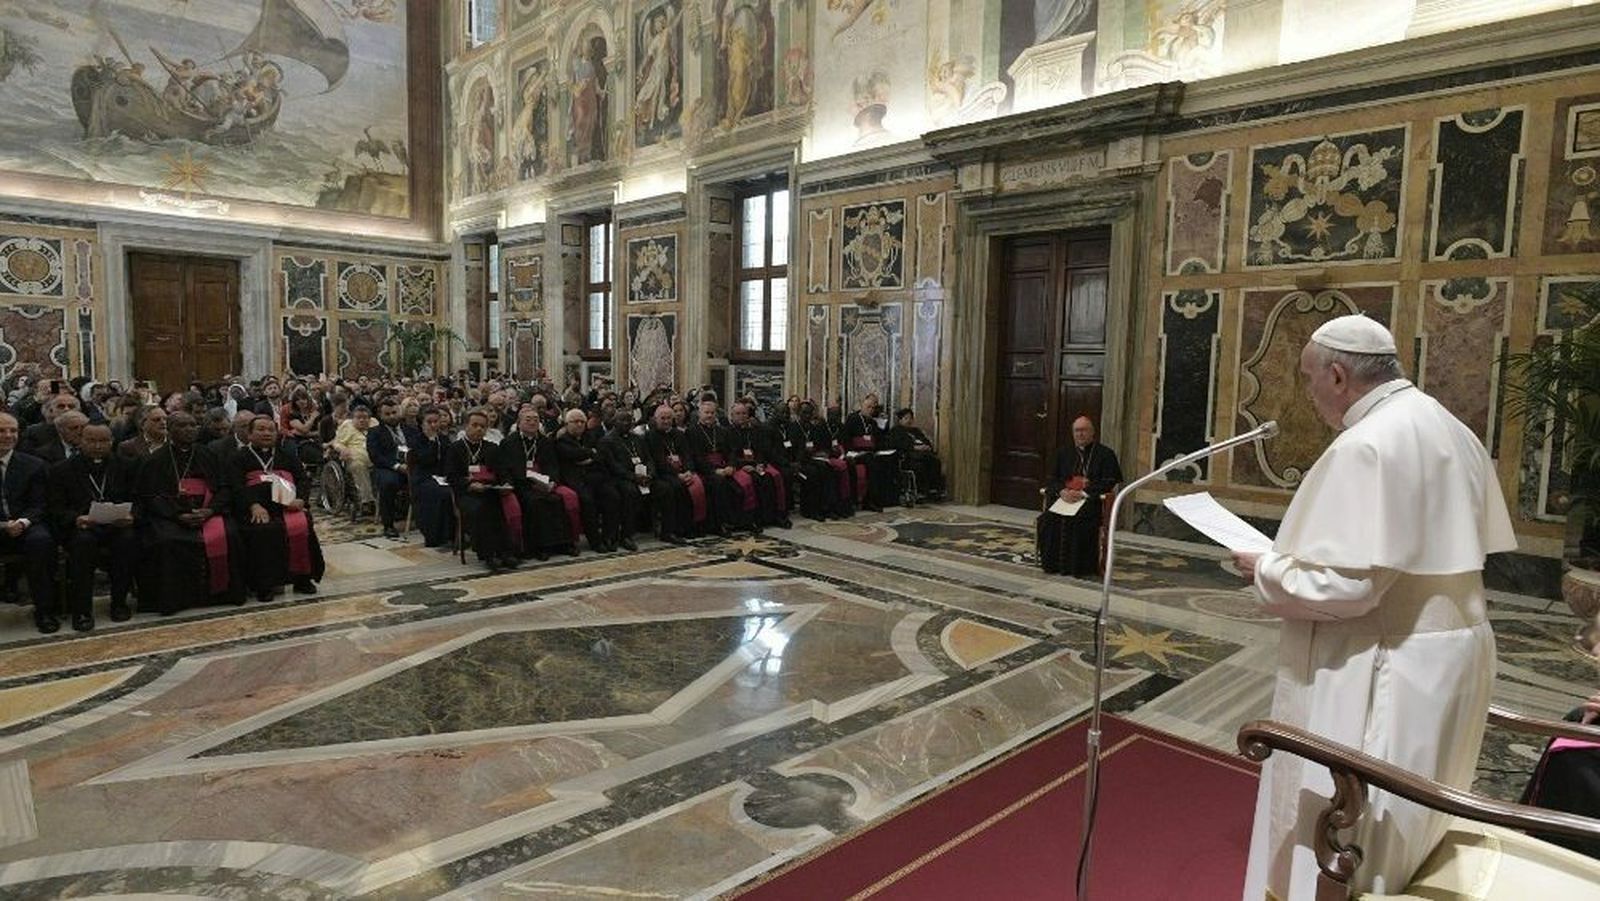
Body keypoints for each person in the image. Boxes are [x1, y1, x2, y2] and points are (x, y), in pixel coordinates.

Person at [1232, 314, 1517, 899]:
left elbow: (1348, 588)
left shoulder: (1367, 444)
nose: (1308, 392)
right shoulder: (1448, 426)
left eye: (1309, 378)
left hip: (1386, 663)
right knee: (1420, 821)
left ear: (1338, 375)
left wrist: (1266, 568)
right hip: (1450, 656)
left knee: (1361, 829)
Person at [134, 411, 243, 614]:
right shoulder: (154, 460)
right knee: (166, 541)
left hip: (208, 512)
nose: (189, 429)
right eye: (182, 426)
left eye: (193, 425)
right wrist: (177, 515)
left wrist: (209, 510)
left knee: (230, 534)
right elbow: (149, 496)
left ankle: (221, 594)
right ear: (170, 430)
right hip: (170, 516)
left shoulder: (209, 455)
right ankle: (174, 599)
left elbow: (224, 488)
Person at [47, 422, 138, 630]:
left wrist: (132, 516)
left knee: (128, 540)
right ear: (81, 441)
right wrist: (76, 518)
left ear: (112, 442)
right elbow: (55, 508)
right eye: (92, 441)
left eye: (103, 441)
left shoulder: (126, 466)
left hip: (117, 525)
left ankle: (119, 603)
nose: (98, 446)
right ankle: (82, 610)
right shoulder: (62, 470)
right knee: (83, 544)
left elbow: (139, 499)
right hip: (82, 528)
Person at [230, 418, 322, 601]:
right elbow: (236, 486)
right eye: (261, 429)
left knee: (302, 525)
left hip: (287, 506)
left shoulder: (287, 455)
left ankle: (302, 579)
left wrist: (301, 499)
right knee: (264, 531)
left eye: (271, 430)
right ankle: (265, 584)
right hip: (257, 508)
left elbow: (302, 479)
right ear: (249, 434)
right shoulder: (238, 458)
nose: (267, 433)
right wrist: (253, 505)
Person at [1038, 416, 1122, 577]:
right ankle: (1052, 564)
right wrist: (1062, 491)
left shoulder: (1105, 454)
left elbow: (1109, 482)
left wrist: (1083, 493)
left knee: (1079, 521)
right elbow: (1052, 479)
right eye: (1077, 430)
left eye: (1084, 430)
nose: (1080, 434)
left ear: (1092, 432)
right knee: (1047, 520)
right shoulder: (1063, 453)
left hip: (1089, 501)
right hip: (1064, 499)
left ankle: (1077, 567)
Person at [0, 413, 60, 634]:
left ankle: (44, 611)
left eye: (13, 430)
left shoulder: (33, 465)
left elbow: (40, 503)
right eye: (1, 431)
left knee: (41, 541)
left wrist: (22, 522)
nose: (8, 435)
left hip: (25, 525)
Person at [447, 410, 524, 570]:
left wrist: (506, 485)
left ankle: (505, 552)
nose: (479, 429)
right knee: (480, 510)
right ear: (466, 426)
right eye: (475, 425)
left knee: (498, 509)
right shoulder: (455, 448)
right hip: (466, 494)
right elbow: (451, 476)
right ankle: (488, 555)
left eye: (482, 426)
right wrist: (469, 484)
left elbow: (503, 472)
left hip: (489, 491)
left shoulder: (492, 448)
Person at [499, 406, 576, 558]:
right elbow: (505, 468)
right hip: (521, 485)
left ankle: (563, 544)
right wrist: (519, 481)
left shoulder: (545, 442)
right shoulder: (508, 442)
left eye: (536, 420)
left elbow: (553, 465)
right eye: (528, 420)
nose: (532, 423)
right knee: (535, 503)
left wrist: (552, 482)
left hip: (542, 484)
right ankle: (541, 547)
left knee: (556, 500)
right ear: (519, 423)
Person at [643, 403, 704, 542]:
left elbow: (687, 455)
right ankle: (669, 531)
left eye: (669, 418)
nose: (666, 421)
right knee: (674, 488)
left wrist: (688, 471)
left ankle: (689, 527)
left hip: (681, 473)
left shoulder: (679, 434)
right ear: (656, 419)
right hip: (661, 475)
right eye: (662, 418)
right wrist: (677, 475)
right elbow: (657, 461)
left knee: (695, 485)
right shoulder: (650, 436)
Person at [596, 409, 650, 550]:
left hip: (641, 477)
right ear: (615, 422)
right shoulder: (607, 441)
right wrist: (634, 477)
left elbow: (648, 459)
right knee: (629, 492)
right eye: (622, 420)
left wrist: (650, 474)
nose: (626, 423)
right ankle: (624, 535)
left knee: (665, 487)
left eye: (629, 420)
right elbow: (613, 466)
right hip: (616, 478)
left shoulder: (637, 439)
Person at [409, 406, 455, 548]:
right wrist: (431, 441)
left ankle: (455, 533)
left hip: (442, 477)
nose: (433, 425)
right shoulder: (416, 440)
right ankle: (437, 535)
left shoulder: (444, 439)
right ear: (422, 423)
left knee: (456, 490)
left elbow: (449, 460)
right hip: (423, 478)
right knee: (442, 494)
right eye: (429, 422)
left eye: (436, 421)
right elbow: (424, 460)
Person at [841, 394, 896, 510]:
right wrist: (851, 452)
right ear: (862, 406)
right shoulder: (853, 419)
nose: (871, 410)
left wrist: (884, 425)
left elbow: (880, 439)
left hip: (870, 452)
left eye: (873, 408)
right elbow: (846, 438)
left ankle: (886, 498)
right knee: (871, 461)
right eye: (868, 407)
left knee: (887, 460)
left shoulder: (873, 422)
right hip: (856, 453)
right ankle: (869, 500)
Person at [367, 400, 411, 538]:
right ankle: (388, 525)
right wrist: (397, 466)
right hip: (387, 467)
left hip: (411, 466)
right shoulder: (374, 432)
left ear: (399, 412)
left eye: (394, 412)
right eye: (387, 414)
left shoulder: (411, 430)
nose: (392, 416)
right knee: (388, 483)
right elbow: (375, 456)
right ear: (380, 415)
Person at [887, 408, 944, 499]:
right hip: (907, 457)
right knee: (919, 466)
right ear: (900, 420)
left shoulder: (916, 431)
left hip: (923, 454)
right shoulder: (895, 431)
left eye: (910, 418)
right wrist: (914, 447)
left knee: (935, 462)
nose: (909, 421)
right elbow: (897, 444)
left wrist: (927, 446)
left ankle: (934, 489)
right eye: (906, 418)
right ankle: (921, 491)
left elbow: (926, 441)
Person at [329, 405, 376, 512]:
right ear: (353, 418)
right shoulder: (347, 426)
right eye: (358, 417)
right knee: (358, 465)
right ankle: (367, 500)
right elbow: (337, 442)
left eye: (365, 418)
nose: (362, 420)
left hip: (375, 455)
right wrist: (342, 449)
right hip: (355, 455)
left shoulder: (374, 424)